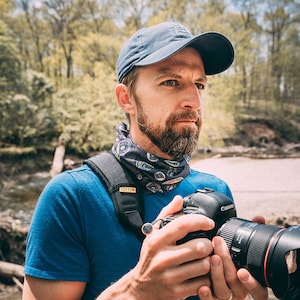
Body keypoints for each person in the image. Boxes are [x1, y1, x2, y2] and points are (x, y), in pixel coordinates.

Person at [22, 22, 269, 300]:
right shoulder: (71, 197)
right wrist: (136, 290)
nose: (194, 101)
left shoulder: (216, 191)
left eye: (199, 85)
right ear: (126, 98)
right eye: (171, 82)